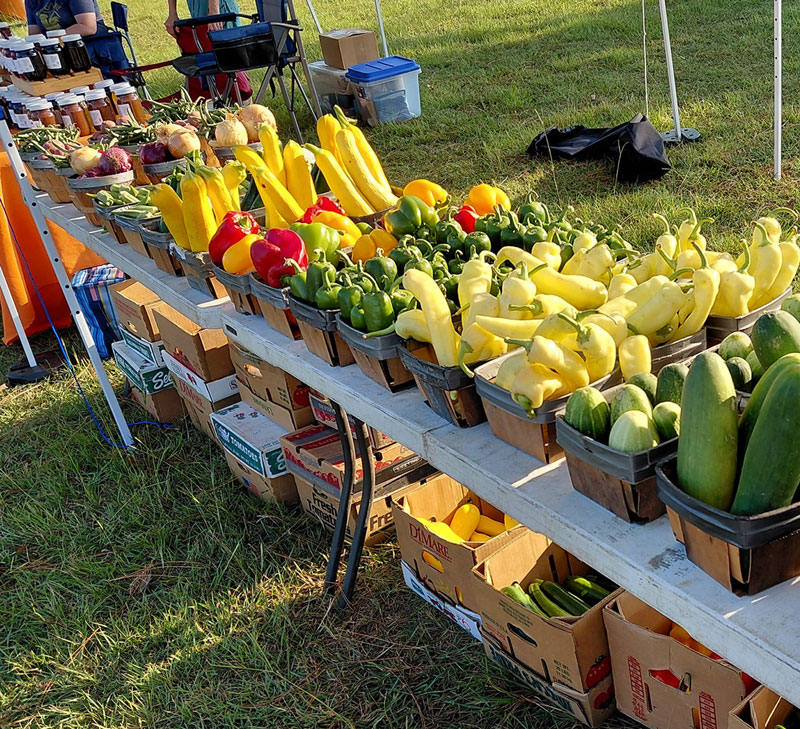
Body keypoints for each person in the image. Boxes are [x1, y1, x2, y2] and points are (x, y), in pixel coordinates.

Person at [165, 0, 241, 37]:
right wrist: (172, 13)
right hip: (197, 8)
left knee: (231, 58)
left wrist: (214, 11)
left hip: (216, 7)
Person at [25, 0, 101, 36]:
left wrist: (53, 39)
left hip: (89, 45)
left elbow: (88, 27)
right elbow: (34, 34)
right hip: (55, 49)